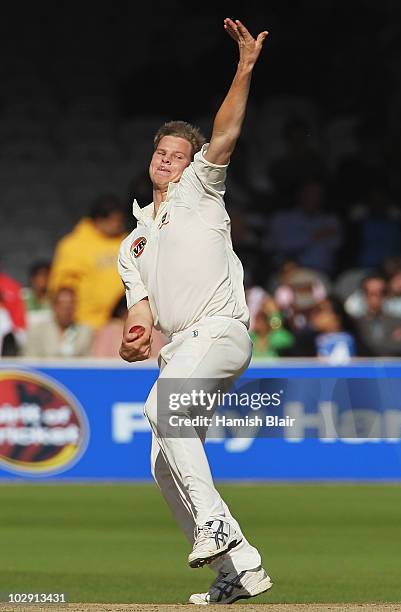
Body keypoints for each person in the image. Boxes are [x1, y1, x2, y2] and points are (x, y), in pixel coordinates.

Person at [118, 18, 272, 605]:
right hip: (184, 345)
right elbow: (142, 313)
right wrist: (134, 338)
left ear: (192, 164)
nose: (167, 160)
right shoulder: (132, 239)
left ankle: (217, 523)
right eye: (161, 151)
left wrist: (245, 66)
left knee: (164, 407)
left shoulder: (201, 192)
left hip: (222, 331)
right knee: (163, 462)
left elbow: (226, 131)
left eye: (178, 154)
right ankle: (240, 569)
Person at [48, 194, 126, 330]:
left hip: (123, 323)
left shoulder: (127, 241)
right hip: (87, 325)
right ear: (99, 220)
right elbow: (62, 286)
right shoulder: (74, 245)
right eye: (114, 220)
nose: (117, 224)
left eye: (119, 220)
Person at [24, 287, 93, 358]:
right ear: (54, 306)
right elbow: (30, 360)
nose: (66, 311)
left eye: (70, 306)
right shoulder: (38, 331)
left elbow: (87, 363)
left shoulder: (84, 332)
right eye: (63, 306)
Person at [22, 261, 52, 326]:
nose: (44, 279)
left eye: (47, 275)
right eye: (41, 275)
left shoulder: (54, 301)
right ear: (32, 278)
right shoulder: (22, 297)